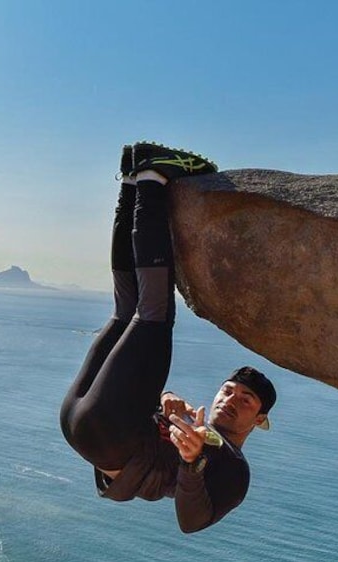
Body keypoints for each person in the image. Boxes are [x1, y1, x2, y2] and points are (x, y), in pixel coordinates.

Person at [59, 141, 277, 533]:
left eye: (246, 401)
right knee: (127, 312)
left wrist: (193, 462)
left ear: (260, 420)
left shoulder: (233, 468)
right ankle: (130, 183)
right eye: (228, 391)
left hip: (107, 435)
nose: (231, 401)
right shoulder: (194, 426)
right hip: (82, 422)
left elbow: (192, 522)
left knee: (154, 315)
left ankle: (153, 177)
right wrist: (165, 401)